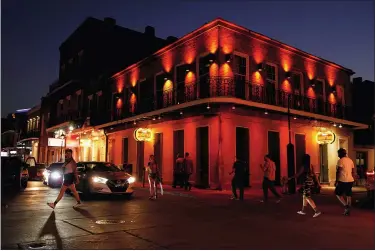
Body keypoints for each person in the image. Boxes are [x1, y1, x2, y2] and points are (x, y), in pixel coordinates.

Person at [335, 148, 355, 216]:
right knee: (348, 195)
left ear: (340, 154)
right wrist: (353, 178)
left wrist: (336, 180)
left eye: (338, 153)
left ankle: (346, 206)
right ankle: (347, 211)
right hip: (350, 180)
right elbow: (353, 171)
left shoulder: (340, 161)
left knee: (338, 193)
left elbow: (338, 171)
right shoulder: (350, 160)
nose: (338, 155)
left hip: (342, 180)